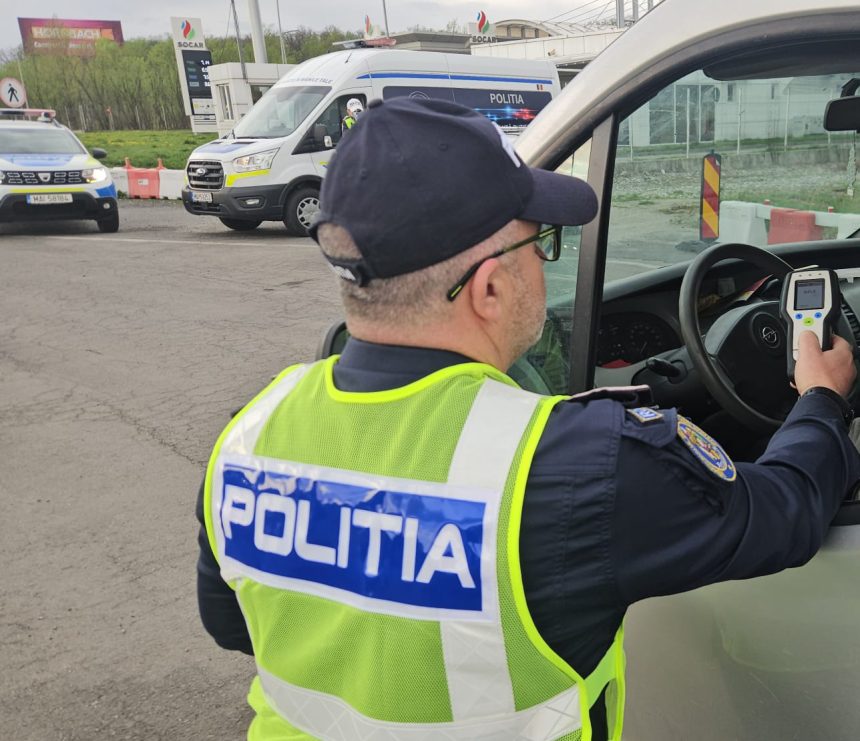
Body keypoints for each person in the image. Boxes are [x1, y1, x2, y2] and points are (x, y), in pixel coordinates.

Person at [196, 98, 860, 741]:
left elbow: (232, 623)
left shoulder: (250, 435)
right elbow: (789, 509)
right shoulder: (580, 466)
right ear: (488, 288)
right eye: (541, 243)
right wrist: (822, 396)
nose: (545, 261)